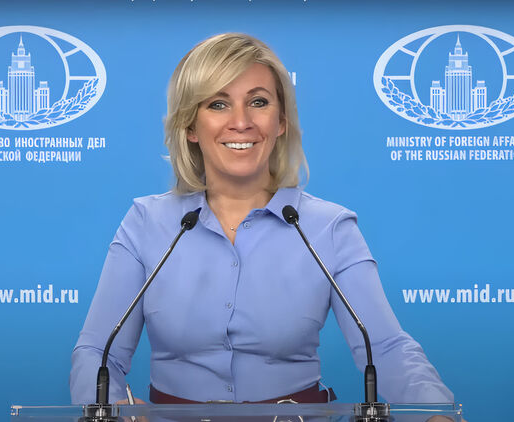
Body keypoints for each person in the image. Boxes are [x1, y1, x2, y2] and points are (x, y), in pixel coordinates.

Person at [70, 33, 453, 405]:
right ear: (190, 126)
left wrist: (436, 415)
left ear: (281, 121)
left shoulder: (329, 227)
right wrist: (113, 410)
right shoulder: (146, 222)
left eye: (258, 102)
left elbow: (385, 349)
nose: (241, 122)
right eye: (218, 104)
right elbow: (97, 354)